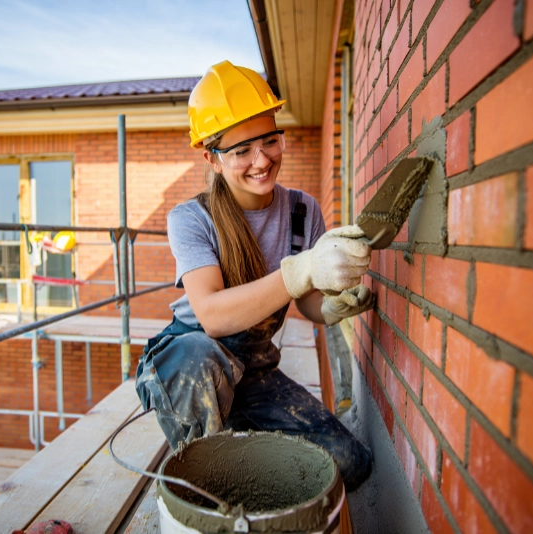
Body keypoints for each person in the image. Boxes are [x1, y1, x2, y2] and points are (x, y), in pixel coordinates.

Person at [135, 60, 374, 491]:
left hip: (255, 371)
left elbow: (306, 302)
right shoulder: (191, 218)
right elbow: (212, 316)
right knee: (201, 378)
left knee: (347, 463)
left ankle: (240, 446)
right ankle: (201, 474)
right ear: (211, 158)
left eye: (270, 140)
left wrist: (332, 306)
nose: (262, 160)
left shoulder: (303, 212)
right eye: (241, 150)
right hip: (193, 364)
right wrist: (301, 269)